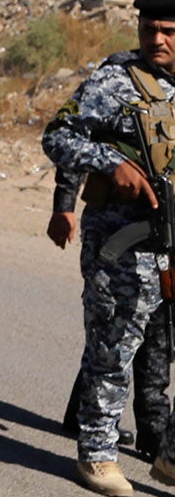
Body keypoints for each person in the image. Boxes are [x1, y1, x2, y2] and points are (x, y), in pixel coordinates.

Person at [42, 0, 175, 496]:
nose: (156, 39)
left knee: (159, 352)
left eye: (168, 31)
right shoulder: (116, 81)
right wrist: (110, 164)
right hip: (121, 240)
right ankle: (97, 452)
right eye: (150, 29)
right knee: (113, 346)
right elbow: (59, 136)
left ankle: (168, 452)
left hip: (169, 240)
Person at [52, 168, 164, 457]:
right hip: (116, 227)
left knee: (150, 328)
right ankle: (146, 426)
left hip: (162, 229)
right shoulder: (124, 122)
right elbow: (76, 146)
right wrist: (63, 206)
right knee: (117, 328)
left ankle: (146, 425)